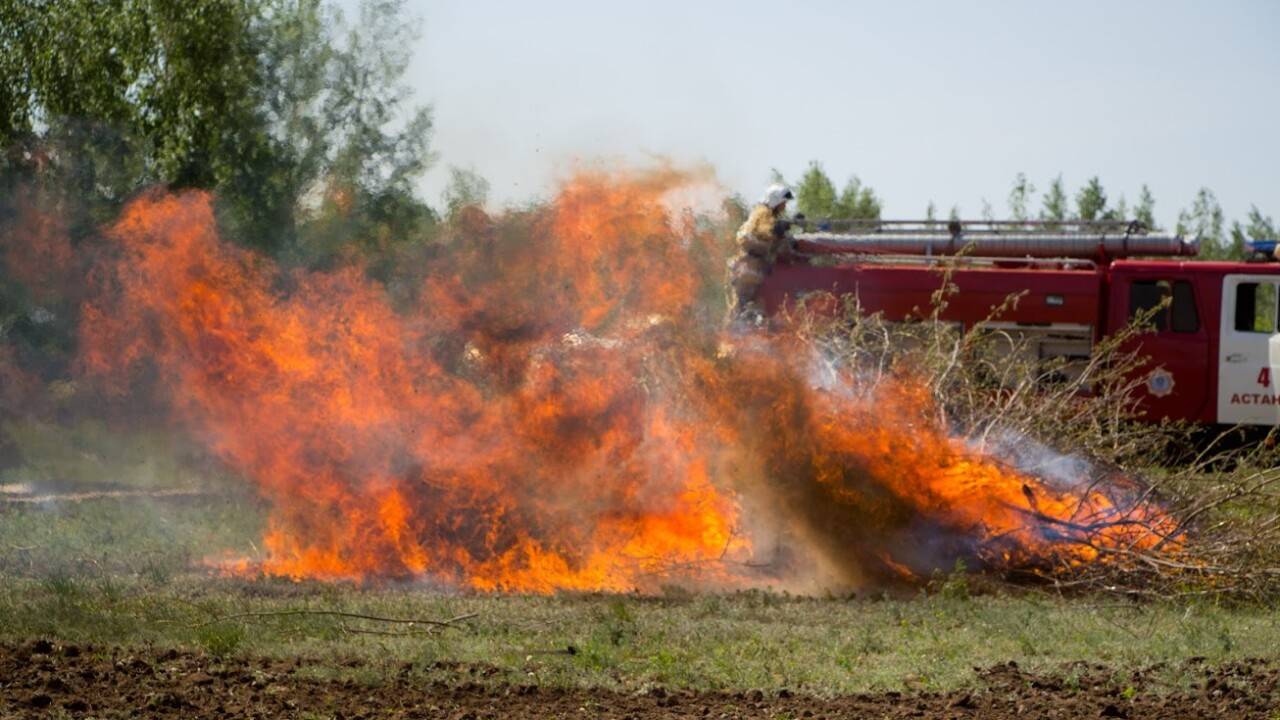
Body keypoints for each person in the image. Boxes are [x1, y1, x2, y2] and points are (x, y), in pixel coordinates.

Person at [726, 183, 796, 325]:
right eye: (783, 203)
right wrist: (776, 230)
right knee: (741, 310)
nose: (785, 207)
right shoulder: (763, 213)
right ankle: (731, 340)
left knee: (754, 312)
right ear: (776, 201)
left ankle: (743, 340)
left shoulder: (765, 214)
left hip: (754, 270)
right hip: (748, 269)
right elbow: (753, 235)